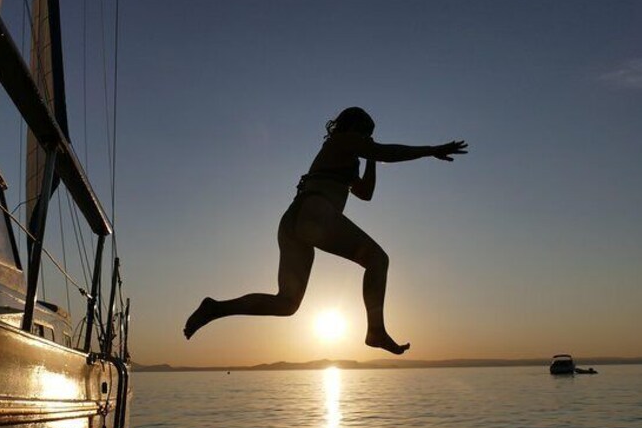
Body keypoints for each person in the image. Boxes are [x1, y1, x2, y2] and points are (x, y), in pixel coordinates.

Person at [184, 107, 467, 354]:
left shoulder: (344, 156)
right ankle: (376, 330)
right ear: (351, 127)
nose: (367, 138)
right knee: (378, 260)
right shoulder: (340, 141)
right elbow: (385, 151)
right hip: (315, 214)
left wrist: (371, 156)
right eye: (365, 132)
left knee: (286, 304)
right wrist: (430, 150)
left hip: (294, 221)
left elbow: (366, 193)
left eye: (369, 135)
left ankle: (216, 308)